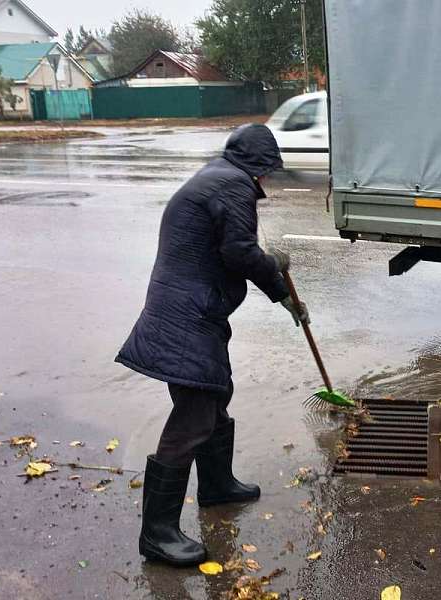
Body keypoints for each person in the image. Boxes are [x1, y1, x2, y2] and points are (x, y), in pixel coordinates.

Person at [116, 124, 308, 567]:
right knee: (194, 414)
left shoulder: (220, 176)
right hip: (188, 317)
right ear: (260, 166)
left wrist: (278, 286)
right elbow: (239, 252)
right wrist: (277, 275)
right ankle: (157, 534)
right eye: (269, 171)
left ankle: (217, 485)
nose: (269, 180)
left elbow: (231, 249)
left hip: (191, 310)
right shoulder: (234, 184)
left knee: (216, 396)